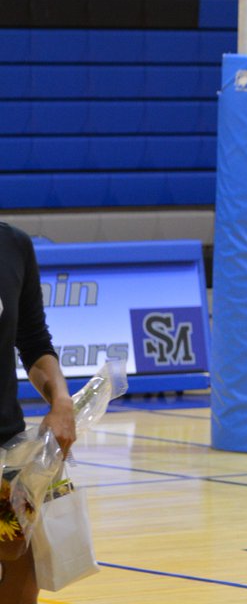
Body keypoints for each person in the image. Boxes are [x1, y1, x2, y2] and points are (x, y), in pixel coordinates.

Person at [0, 222, 77, 604]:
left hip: (5, 446)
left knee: (16, 554)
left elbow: (34, 342)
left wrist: (61, 403)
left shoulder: (13, 246)